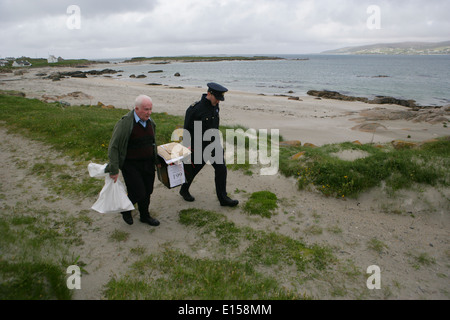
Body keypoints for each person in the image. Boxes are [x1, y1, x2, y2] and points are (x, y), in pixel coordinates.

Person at [179, 82, 239, 207]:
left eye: (220, 99)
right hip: (199, 147)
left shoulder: (215, 107)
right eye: (217, 98)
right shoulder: (194, 109)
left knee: (221, 170)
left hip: (213, 146)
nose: (218, 101)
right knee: (192, 171)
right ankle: (184, 190)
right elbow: (187, 130)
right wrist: (188, 148)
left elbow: (215, 127)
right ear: (209, 94)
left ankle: (223, 199)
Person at [105, 95, 160, 226]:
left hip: (147, 164)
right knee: (138, 192)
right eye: (146, 109)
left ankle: (145, 216)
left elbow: (153, 143)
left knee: (147, 191)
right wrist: (114, 168)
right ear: (136, 109)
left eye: (151, 109)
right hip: (131, 165)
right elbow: (114, 146)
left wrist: (157, 160)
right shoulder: (125, 124)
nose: (149, 112)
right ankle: (125, 209)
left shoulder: (150, 123)